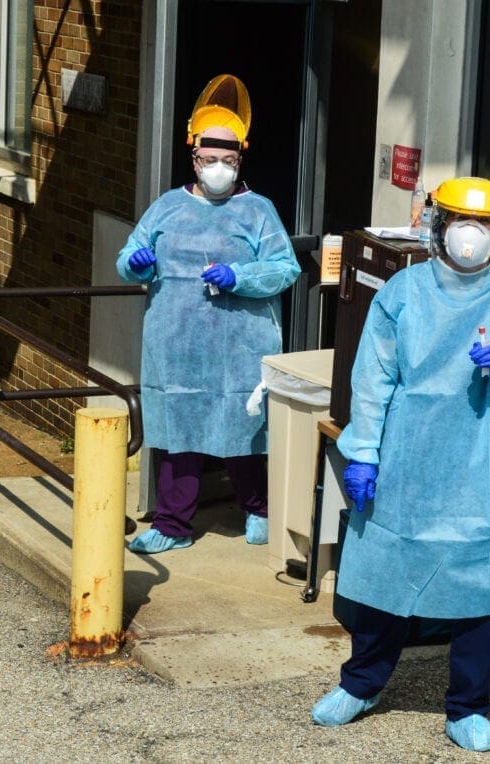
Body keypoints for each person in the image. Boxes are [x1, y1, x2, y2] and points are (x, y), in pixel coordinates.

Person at [311, 177, 490, 752]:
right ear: (437, 226)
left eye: (484, 224)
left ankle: (467, 705)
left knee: (477, 587)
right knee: (389, 574)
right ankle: (361, 684)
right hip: (409, 454)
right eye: (461, 220)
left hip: (488, 455)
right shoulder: (404, 291)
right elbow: (373, 380)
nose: (472, 234)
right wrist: (362, 451)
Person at [116, 74, 300, 554]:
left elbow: (285, 268)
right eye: (209, 159)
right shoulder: (166, 208)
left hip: (242, 345)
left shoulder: (258, 211)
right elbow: (129, 254)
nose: (218, 168)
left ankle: (258, 510)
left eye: (228, 160)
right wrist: (137, 262)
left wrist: (239, 277)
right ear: (193, 156)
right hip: (176, 347)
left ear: (240, 159)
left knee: (244, 430)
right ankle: (174, 525)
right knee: (178, 437)